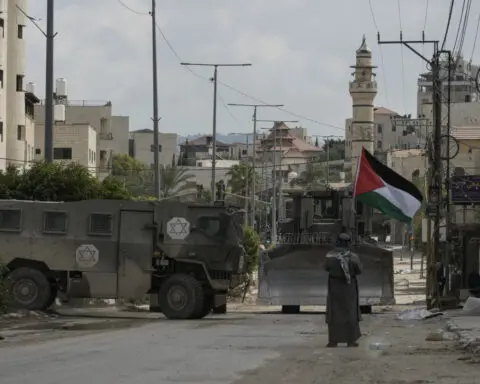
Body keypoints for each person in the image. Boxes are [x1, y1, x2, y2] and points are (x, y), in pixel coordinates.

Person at [324, 233, 362, 347]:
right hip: (349, 287)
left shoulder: (330, 255)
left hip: (334, 287)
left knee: (334, 312)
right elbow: (359, 270)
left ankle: (333, 341)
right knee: (350, 312)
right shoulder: (353, 256)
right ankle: (350, 340)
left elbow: (326, 267)